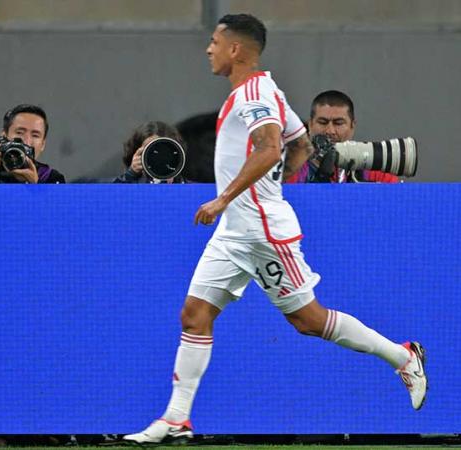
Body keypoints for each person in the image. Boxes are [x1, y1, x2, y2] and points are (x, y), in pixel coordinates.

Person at [123, 14, 427, 445]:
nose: (208, 49)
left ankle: (403, 356)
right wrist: (264, 188)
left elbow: (270, 146)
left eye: (214, 41)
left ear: (235, 50)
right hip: (235, 232)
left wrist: (226, 197)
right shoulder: (267, 90)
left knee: (308, 320)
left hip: (263, 231)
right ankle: (176, 418)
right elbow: (299, 144)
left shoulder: (255, 92)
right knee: (194, 314)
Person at [284, 90, 399, 183]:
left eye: (338, 123)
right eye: (323, 122)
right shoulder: (290, 168)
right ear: (310, 125)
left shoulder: (374, 171)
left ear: (352, 126)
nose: (330, 131)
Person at [0, 104, 65, 184]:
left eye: (35, 135)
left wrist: (35, 187)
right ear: (3, 136)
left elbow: (54, 204)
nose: (26, 141)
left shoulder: (51, 179)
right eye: (19, 133)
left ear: (43, 144)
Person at [114, 121, 187, 184]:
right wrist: (130, 175)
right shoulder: (132, 192)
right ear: (137, 156)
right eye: (150, 151)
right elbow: (112, 197)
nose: (160, 158)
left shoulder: (192, 191)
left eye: (164, 152)